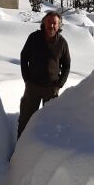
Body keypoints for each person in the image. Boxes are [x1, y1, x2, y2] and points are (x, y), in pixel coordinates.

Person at [17, 11, 71, 140]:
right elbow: (24, 57)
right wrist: (27, 79)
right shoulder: (34, 38)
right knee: (25, 119)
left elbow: (67, 66)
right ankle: (19, 150)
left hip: (51, 89)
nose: (51, 26)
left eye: (54, 23)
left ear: (59, 25)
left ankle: (44, 152)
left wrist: (59, 85)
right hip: (32, 87)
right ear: (43, 23)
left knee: (50, 121)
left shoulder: (62, 43)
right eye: (49, 22)